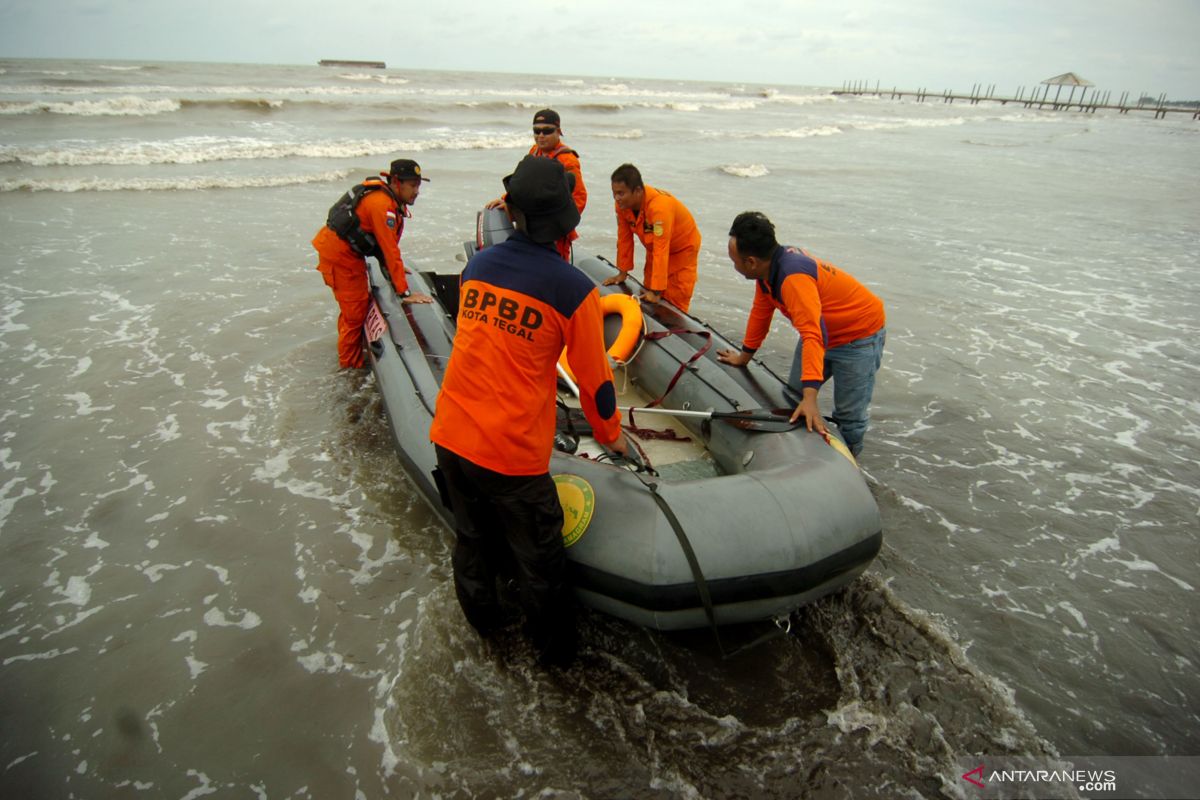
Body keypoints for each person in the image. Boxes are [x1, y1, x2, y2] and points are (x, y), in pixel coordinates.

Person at [430, 155, 627, 668]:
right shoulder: (573, 291)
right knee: (541, 564)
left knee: (471, 541)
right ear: (566, 225)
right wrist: (613, 437)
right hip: (510, 456)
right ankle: (554, 661)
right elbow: (596, 387)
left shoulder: (477, 267)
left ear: (513, 213)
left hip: (451, 434)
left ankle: (487, 633)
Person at [716, 211, 886, 457]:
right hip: (821, 331)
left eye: (735, 261)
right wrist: (744, 356)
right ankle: (801, 453)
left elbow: (812, 336)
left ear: (751, 261)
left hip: (858, 336)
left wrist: (811, 398)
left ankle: (850, 467)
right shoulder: (767, 273)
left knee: (849, 416)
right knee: (792, 395)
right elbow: (761, 313)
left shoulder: (792, 277)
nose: (734, 266)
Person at [312, 159, 433, 369]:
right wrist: (405, 292)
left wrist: (396, 271)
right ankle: (349, 368)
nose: (417, 191)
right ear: (396, 182)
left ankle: (350, 352)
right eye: (412, 185)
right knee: (355, 313)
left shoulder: (389, 201)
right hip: (340, 256)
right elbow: (389, 248)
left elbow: (386, 248)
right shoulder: (382, 205)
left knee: (353, 309)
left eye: (418, 185)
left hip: (343, 252)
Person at [486, 108, 586, 261]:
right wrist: (507, 200)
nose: (540, 135)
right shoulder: (534, 151)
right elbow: (525, 185)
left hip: (555, 231)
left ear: (558, 131)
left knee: (553, 267)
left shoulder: (568, 161)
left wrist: (557, 224)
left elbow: (579, 198)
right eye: (536, 131)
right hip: (531, 226)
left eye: (547, 131)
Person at [603, 163, 701, 312]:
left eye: (621, 193)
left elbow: (662, 247)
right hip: (655, 249)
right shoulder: (622, 206)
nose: (617, 198)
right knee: (648, 289)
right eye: (614, 193)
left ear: (637, 191)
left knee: (673, 301)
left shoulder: (659, 207)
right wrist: (622, 273)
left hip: (681, 251)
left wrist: (656, 292)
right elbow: (624, 239)